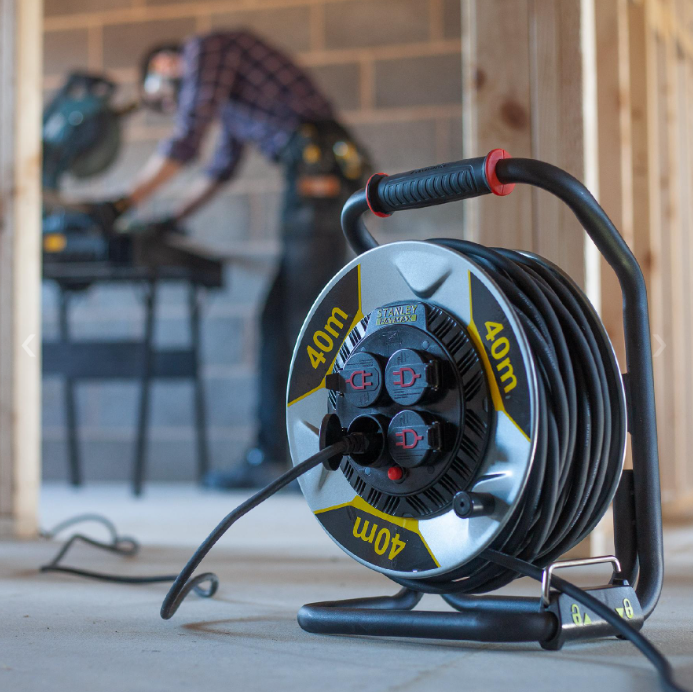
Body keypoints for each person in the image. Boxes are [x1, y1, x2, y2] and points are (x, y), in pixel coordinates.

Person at [92, 31, 371, 488]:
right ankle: (278, 454)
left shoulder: (207, 48)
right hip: (314, 176)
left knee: (307, 325)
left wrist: (121, 204)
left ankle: (318, 461)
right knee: (280, 322)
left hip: (318, 174)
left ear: (165, 65)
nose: (171, 106)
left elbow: (188, 139)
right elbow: (221, 167)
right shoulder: (233, 96)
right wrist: (169, 218)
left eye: (164, 98)